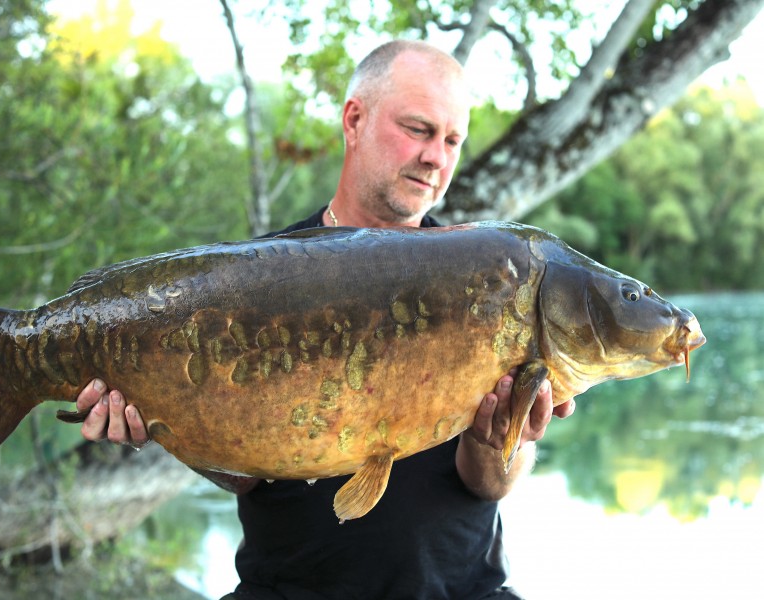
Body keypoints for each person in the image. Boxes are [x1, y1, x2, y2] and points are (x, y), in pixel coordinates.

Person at [76, 40, 575, 599]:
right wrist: (163, 423)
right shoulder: (257, 278)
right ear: (354, 119)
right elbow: (245, 474)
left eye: (452, 139)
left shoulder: (491, 280)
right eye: (417, 129)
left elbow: (489, 486)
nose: (436, 157)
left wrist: (502, 439)